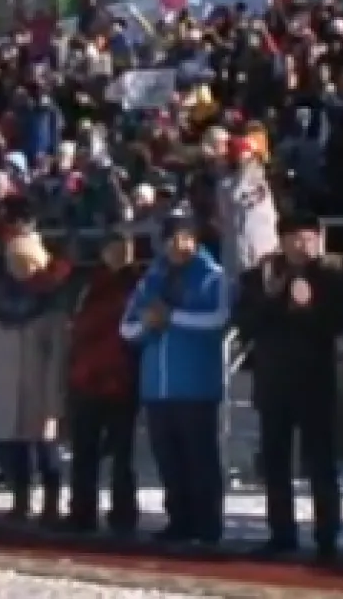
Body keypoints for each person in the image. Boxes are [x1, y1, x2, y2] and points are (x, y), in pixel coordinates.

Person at [234, 210, 343, 560]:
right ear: (282, 241)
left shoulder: (330, 276)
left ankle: (327, 535)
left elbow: (340, 321)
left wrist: (308, 308)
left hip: (315, 381)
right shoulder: (260, 276)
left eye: (309, 238)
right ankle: (281, 532)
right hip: (273, 381)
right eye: (295, 239)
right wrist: (272, 297)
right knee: (275, 461)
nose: (303, 246)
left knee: (321, 462)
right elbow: (244, 324)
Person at [121, 209, 229, 547]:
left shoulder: (213, 276)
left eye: (184, 237)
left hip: (195, 384)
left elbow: (219, 319)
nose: (178, 245)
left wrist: (173, 317)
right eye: (171, 239)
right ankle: (178, 519)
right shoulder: (150, 279)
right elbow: (127, 327)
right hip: (157, 385)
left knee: (200, 458)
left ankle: (208, 523)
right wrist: (148, 324)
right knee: (168, 458)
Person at [0, 227, 75, 523]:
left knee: (46, 448)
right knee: (14, 448)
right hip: (6, 382)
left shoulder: (52, 302)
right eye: (14, 261)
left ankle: (51, 503)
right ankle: (20, 499)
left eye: (25, 261)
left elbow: (58, 354)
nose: (19, 268)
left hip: (40, 386)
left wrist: (55, 398)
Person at [63, 229, 144, 535]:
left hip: (123, 377)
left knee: (124, 453)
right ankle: (82, 510)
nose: (121, 253)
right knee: (84, 450)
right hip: (86, 376)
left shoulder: (139, 282)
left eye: (127, 247)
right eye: (114, 247)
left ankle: (123, 513)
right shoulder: (87, 284)